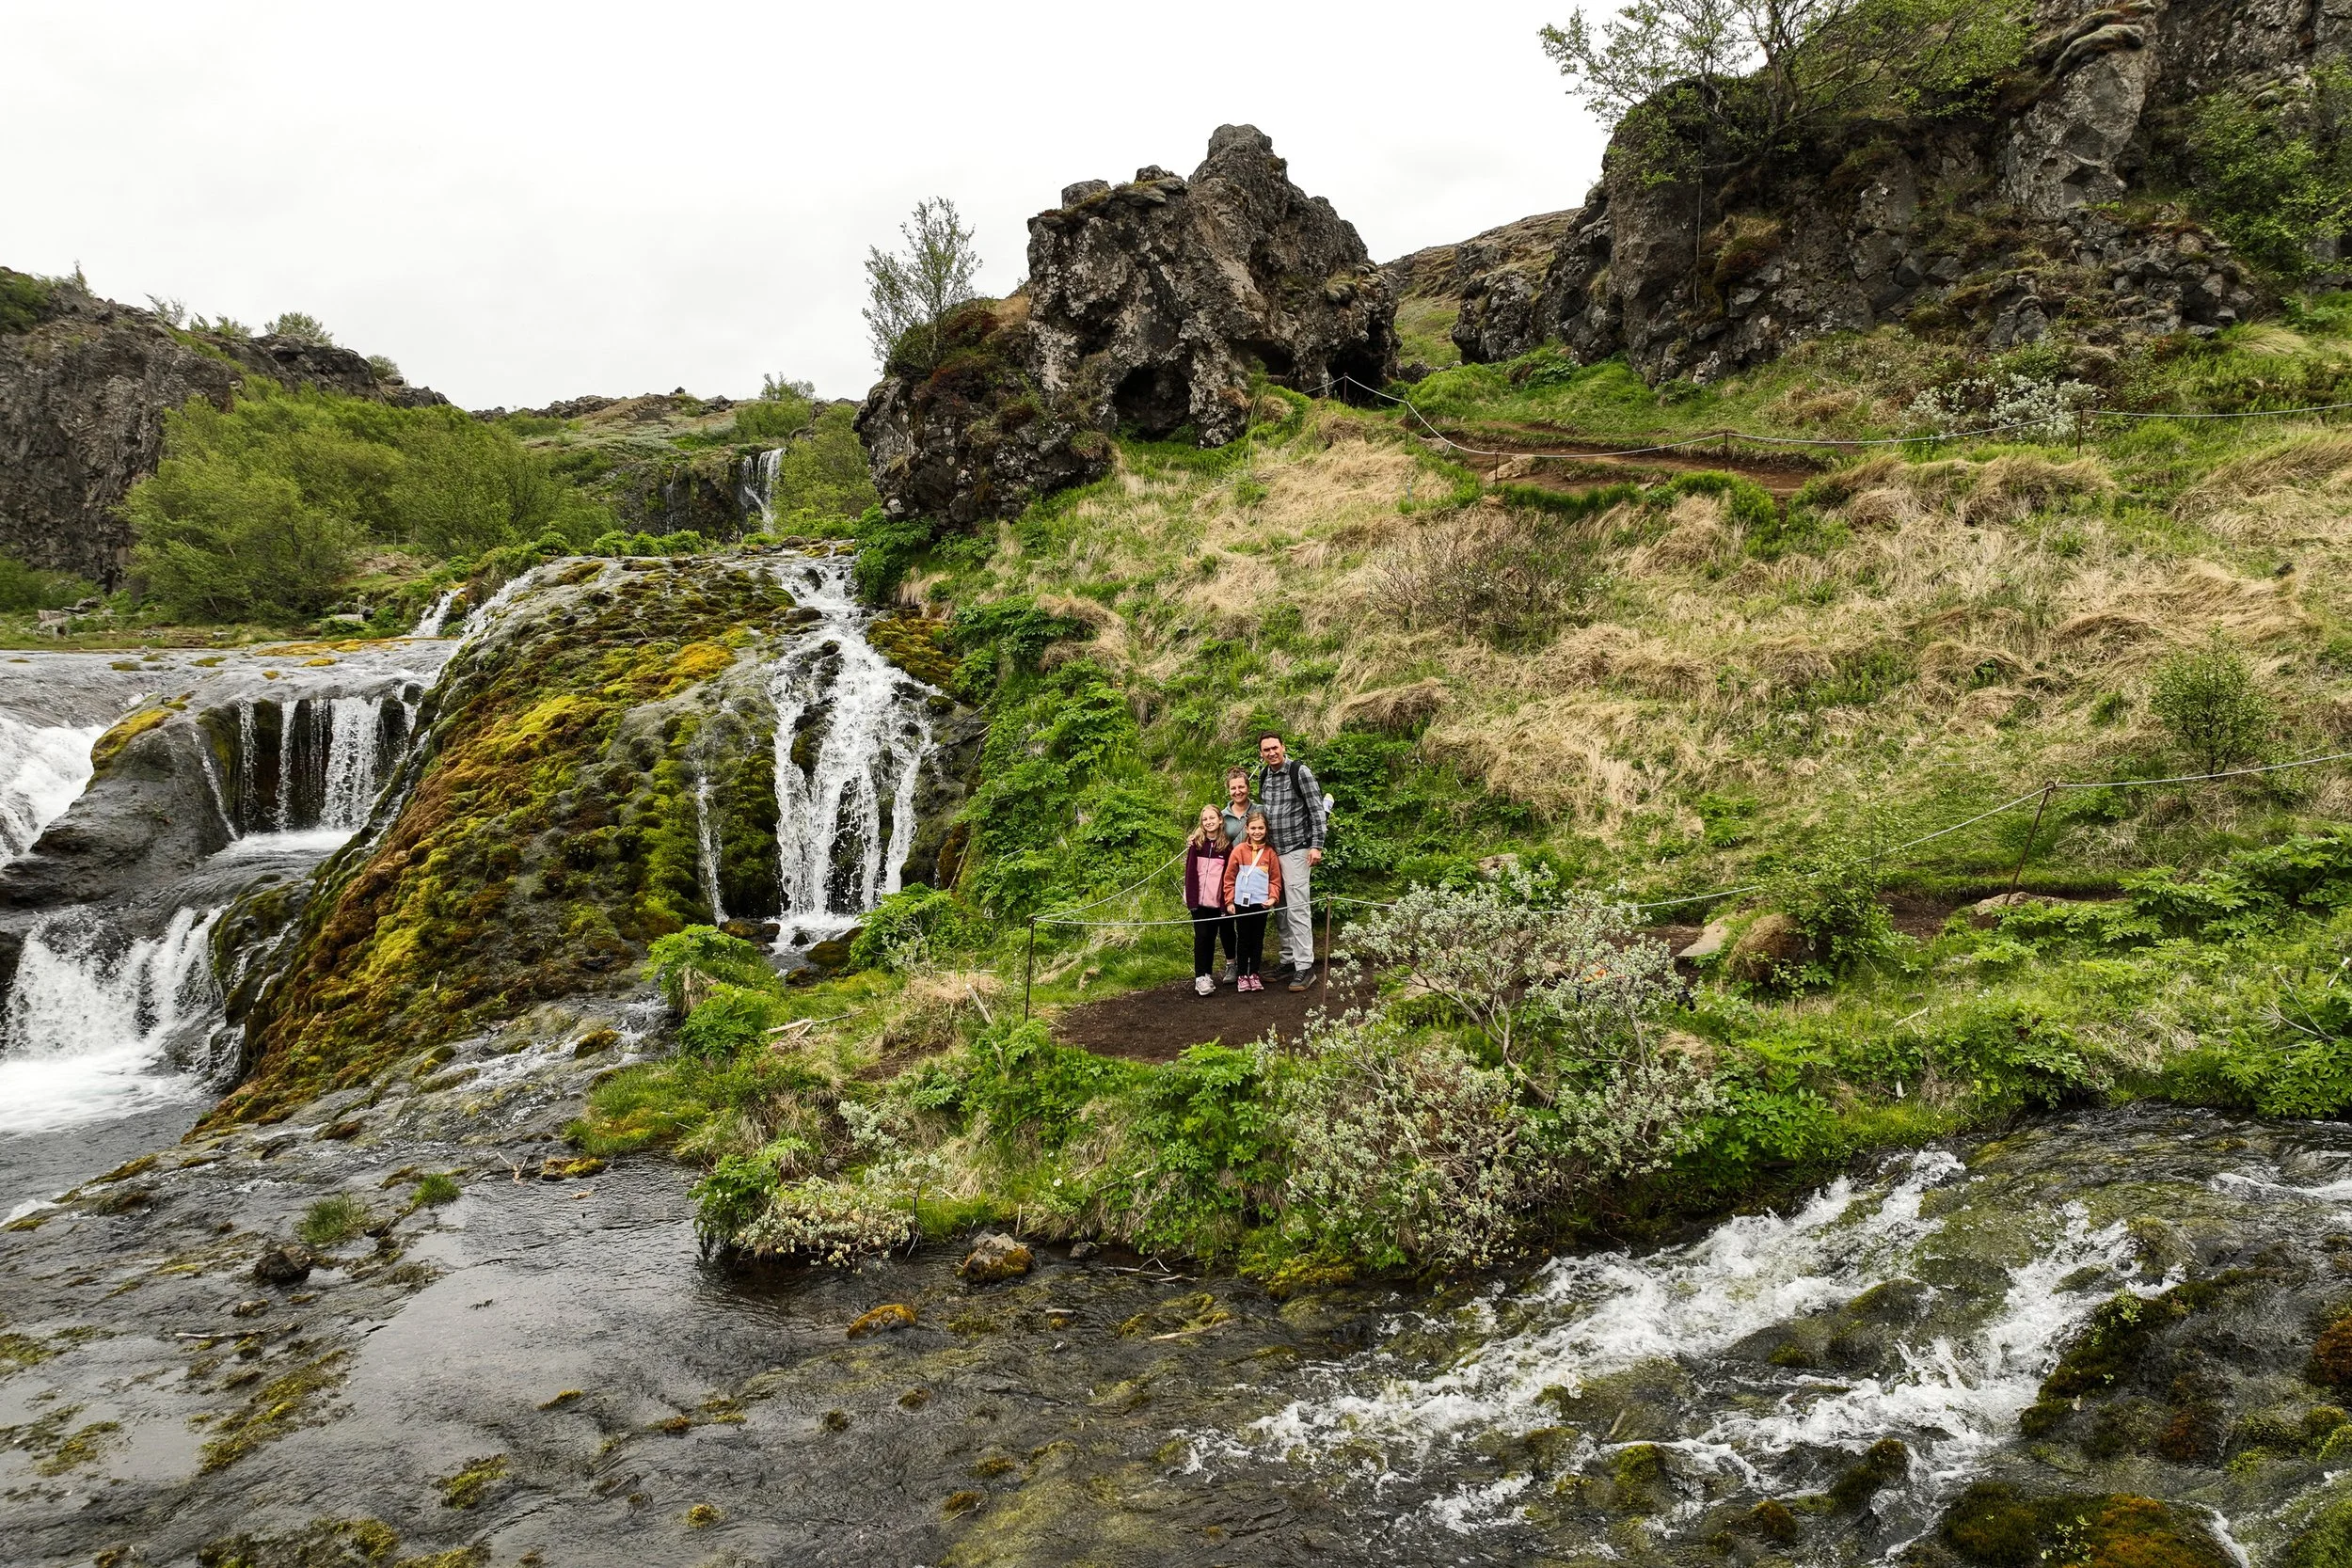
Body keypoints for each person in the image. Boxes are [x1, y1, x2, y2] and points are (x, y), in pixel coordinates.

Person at [1255, 731, 1327, 992]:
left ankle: (1306, 966)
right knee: (1281, 909)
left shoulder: (1300, 772)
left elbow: (1317, 810)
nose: (1271, 753)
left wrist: (1316, 845)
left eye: (1275, 747)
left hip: (1297, 849)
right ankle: (1288, 960)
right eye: (1266, 750)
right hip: (1273, 852)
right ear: (1261, 754)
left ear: (1283, 747)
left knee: (1298, 908)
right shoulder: (1265, 776)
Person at [1220, 809, 1283, 992]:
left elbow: (1275, 879)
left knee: (1258, 938)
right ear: (1247, 829)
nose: (1257, 832)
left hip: (1261, 903)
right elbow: (1229, 878)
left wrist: (1272, 897)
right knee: (1243, 938)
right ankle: (1241, 974)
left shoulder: (1270, 853)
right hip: (1241, 903)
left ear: (1266, 830)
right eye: (1253, 828)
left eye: (1261, 828)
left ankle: (1254, 973)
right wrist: (1230, 901)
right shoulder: (1239, 850)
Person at [1184, 804, 1233, 997]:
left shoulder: (1226, 847)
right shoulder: (1196, 845)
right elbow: (1190, 874)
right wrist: (1192, 900)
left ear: (1220, 820)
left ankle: (1207, 974)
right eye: (1205, 819)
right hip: (1199, 903)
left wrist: (1223, 903)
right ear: (1201, 823)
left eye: (1212, 818)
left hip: (1216, 902)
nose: (1209, 822)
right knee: (1201, 937)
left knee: (1211, 938)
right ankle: (1199, 978)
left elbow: (1228, 877)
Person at [1217, 766, 1257, 981]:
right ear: (1228, 790)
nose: (1238, 791)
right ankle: (1231, 963)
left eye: (1241, 786)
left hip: (1254, 872)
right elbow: (1208, 832)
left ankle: (1250, 961)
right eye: (1233, 788)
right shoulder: (1223, 816)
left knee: (1250, 919)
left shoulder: (1259, 810)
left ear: (1248, 787)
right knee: (1227, 918)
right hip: (1229, 873)